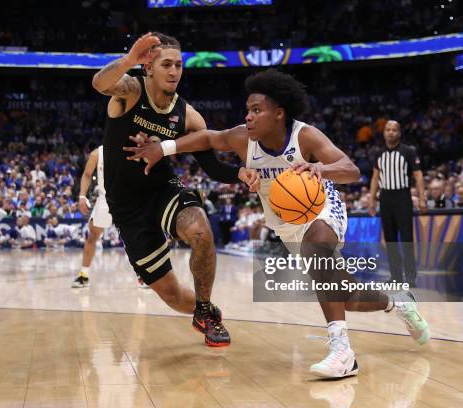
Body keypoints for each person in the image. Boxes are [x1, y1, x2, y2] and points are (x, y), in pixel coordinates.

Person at [125, 69, 430, 377]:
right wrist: (162, 148)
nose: (248, 117)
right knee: (346, 296)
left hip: (322, 209)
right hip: (287, 225)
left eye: (257, 110)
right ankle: (397, 302)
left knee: (315, 249)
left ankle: (343, 352)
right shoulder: (243, 140)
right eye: (247, 110)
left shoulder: (304, 136)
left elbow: (350, 170)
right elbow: (207, 138)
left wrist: (319, 169)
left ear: (279, 114)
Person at [92, 32, 258, 347]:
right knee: (172, 296)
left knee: (200, 230)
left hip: (162, 189)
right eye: (166, 64)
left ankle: (205, 311)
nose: (174, 71)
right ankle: (201, 309)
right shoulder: (129, 91)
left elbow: (210, 163)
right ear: (148, 68)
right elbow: (99, 83)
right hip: (127, 208)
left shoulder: (188, 115)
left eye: (179, 65)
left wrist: (239, 173)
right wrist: (128, 60)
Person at [369, 121, 426, 286]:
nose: (391, 132)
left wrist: (422, 198)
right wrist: (372, 199)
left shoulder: (408, 151)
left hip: (403, 197)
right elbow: (375, 178)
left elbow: (418, 175)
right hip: (385, 198)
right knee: (390, 239)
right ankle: (395, 277)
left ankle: (410, 278)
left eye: (394, 130)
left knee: (407, 238)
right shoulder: (379, 153)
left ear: (399, 133)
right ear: (384, 132)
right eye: (388, 130)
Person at [72, 145, 113, 288]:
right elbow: (87, 174)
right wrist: (82, 196)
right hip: (105, 198)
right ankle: (84, 275)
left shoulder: (132, 147)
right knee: (92, 235)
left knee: (134, 236)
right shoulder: (97, 153)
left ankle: (142, 277)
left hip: (127, 197)